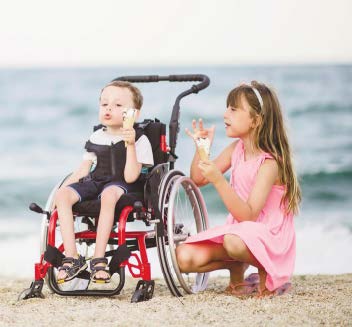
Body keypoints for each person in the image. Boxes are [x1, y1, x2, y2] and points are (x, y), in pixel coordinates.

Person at [176, 81, 301, 297]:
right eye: (227, 108)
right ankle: (235, 266)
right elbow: (197, 178)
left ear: (256, 120)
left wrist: (219, 181)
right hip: (238, 233)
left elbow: (248, 214)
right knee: (183, 257)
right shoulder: (237, 149)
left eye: (233, 109)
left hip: (268, 236)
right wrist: (202, 149)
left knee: (233, 242)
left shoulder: (270, 163)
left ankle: (267, 272)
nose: (226, 114)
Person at [54, 81, 154, 283]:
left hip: (125, 186)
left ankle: (99, 259)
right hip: (97, 181)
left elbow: (130, 177)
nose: (109, 108)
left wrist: (130, 144)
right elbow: (83, 170)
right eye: (104, 104)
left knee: (109, 195)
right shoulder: (96, 136)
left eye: (118, 105)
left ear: (134, 113)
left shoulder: (140, 139)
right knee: (62, 195)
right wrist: (60, 192)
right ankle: (72, 257)